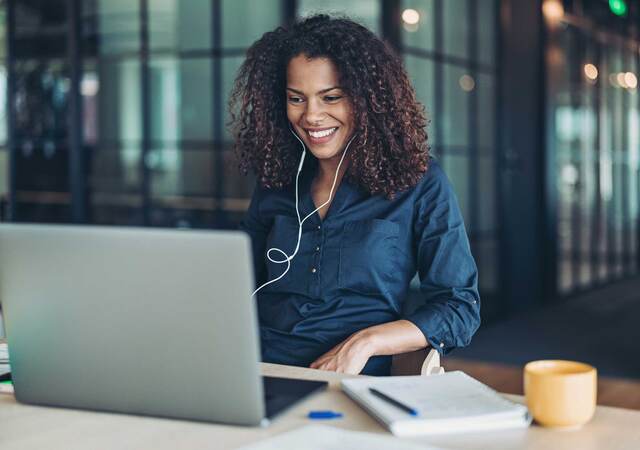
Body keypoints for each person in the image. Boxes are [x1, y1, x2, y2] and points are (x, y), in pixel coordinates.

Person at [229, 15, 480, 376]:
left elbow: (459, 308)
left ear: (367, 99)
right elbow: (234, 282)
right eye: (296, 99)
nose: (312, 116)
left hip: (355, 382)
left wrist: (366, 343)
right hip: (259, 372)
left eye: (331, 97)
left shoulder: (419, 182)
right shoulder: (277, 181)